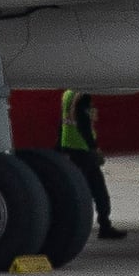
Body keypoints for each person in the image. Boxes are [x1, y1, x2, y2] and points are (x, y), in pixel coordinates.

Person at [60, 91, 118, 241]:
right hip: (83, 150)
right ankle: (101, 226)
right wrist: (94, 148)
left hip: (71, 147)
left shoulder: (68, 94)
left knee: (85, 190)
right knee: (95, 191)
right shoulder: (82, 96)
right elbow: (84, 124)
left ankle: (102, 226)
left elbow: (64, 122)